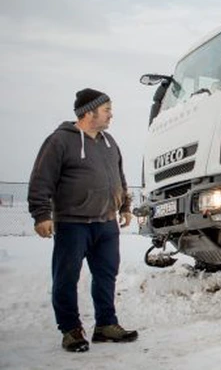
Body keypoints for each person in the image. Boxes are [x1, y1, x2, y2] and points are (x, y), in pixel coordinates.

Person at [28, 88, 138, 352]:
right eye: (107, 109)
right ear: (89, 112)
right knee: (66, 277)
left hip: (106, 223)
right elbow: (41, 179)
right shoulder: (60, 141)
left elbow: (118, 177)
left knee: (106, 275)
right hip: (72, 223)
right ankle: (71, 330)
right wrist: (41, 214)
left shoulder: (109, 142)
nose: (111, 114)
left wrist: (124, 206)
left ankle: (105, 325)